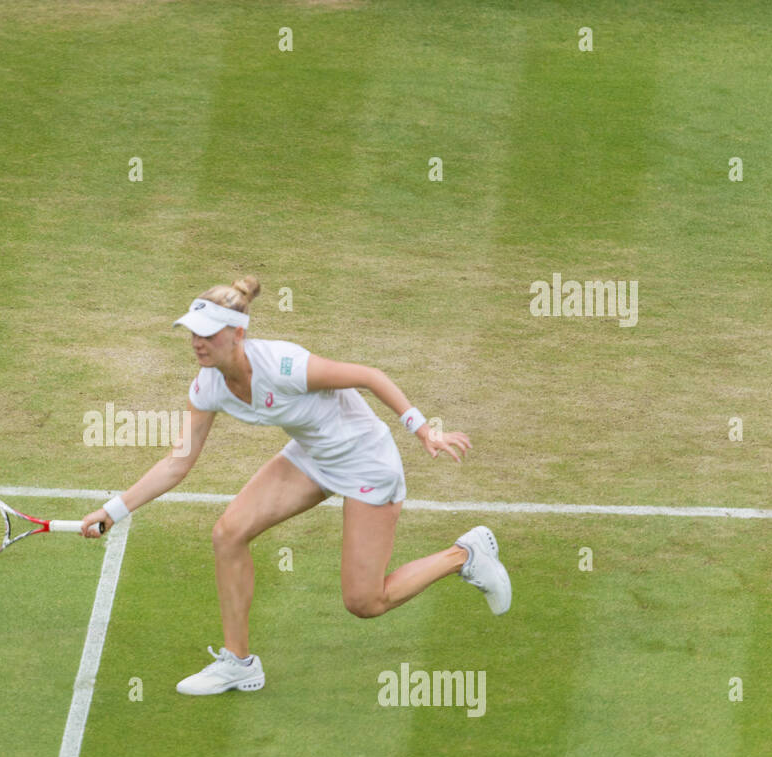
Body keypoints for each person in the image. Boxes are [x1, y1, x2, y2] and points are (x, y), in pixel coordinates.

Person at [81, 276, 510, 695]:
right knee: (228, 534)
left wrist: (424, 431)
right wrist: (113, 510)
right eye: (193, 332)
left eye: (208, 334)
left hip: (366, 464)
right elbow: (178, 462)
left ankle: (465, 554)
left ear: (237, 333)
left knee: (365, 602)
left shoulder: (284, 365)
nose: (197, 342)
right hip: (313, 456)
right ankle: (238, 664)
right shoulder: (208, 385)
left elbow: (369, 375)